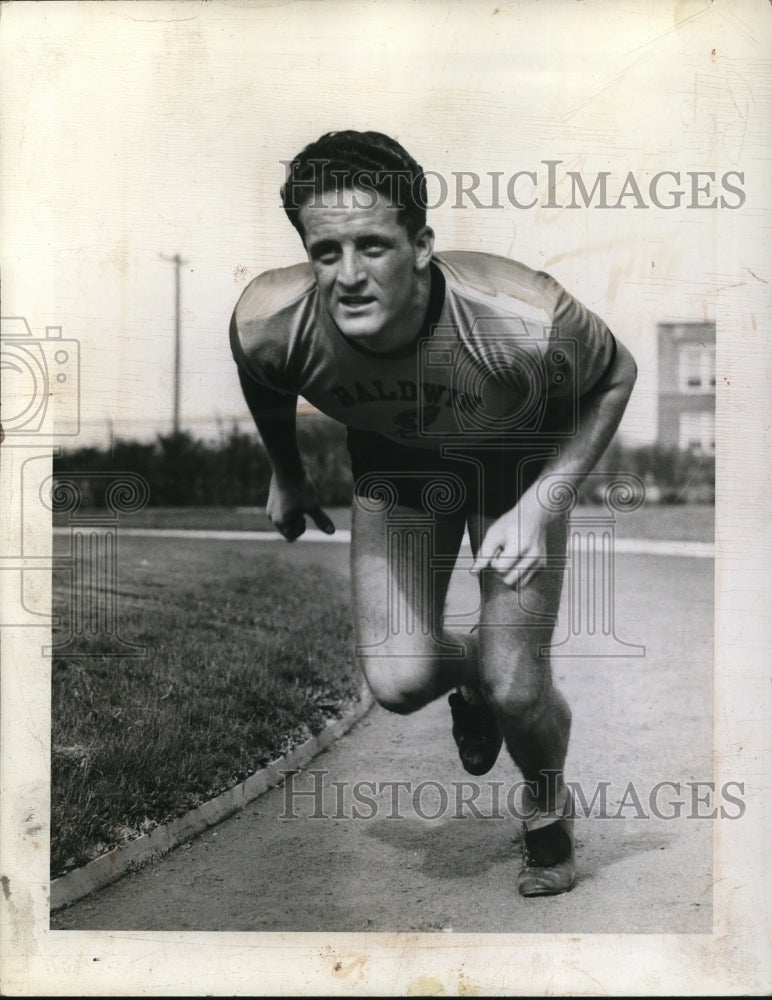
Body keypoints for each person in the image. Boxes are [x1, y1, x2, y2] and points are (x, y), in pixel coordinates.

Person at [230, 130, 637, 896]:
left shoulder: (520, 315)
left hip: (513, 464)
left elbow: (616, 375)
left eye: (373, 246)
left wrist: (547, 498)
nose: (348, 276)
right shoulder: (268, 318)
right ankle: (476, 676)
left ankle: (546, 806)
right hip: (399, 466)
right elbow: (265, 381)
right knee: (398, 678)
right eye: (326, 252)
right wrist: (286, 475)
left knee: (520, 686)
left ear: (420, 244)